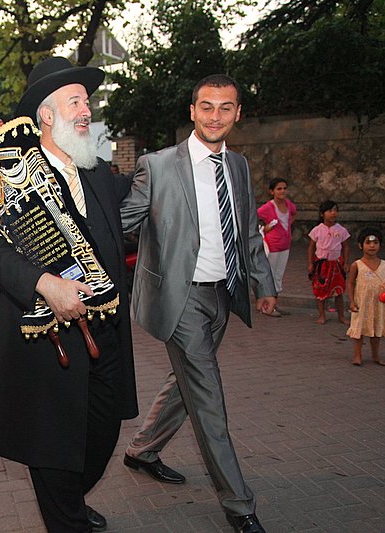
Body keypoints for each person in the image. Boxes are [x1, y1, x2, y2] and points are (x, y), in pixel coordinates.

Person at [0, 56, 138, 533]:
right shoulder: (9, 178)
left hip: (105, 335)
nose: (87, 111)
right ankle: (66, 516)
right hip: (47, 343)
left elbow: (142, 201)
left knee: (102, 434)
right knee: (52, 446)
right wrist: (43, 283)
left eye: (87, 102)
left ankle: (69, 503)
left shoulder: (97, 172)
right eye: (76, 102)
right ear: (46, 115)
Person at [120, 74, 276, 533]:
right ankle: (239, 505)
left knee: (185, 381)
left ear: (238, 113)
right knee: (208, 396)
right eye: (206, 106)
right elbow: (122, 223)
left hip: (223, 294)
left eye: (225, 107)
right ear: (192, 111)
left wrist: (263, 284)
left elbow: (247, 231)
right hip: (179, 296)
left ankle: (143, 449)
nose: (215, 116)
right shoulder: (157, 165)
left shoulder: (239, 166)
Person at [346, 226, 385, 366]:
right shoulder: (357, 265)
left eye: (375, 242)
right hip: (361, 303)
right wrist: (351, 301)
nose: (372, 246)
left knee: (376, 330)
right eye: (368, 242)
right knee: (359, 330)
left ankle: (375, 355)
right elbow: (351, 283)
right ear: (361, 245)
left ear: (380, 245)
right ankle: (357, 355)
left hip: (379, 303)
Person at [257, 177, 296, 316]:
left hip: (285, 244)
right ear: (272, 191)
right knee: (270, 275)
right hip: (272, 245)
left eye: (284, 188)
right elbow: (253, 217)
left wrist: (288, 226)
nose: (282, 191)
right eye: (279, 189)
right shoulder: (268, 207)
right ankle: (267, 306)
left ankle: (274, 304)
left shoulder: (289, 205)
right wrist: (264, 228)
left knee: (278, 276)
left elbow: (293, 214)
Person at [307, 200, 350, 325]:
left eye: (335, 210)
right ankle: (322, 315)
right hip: (321, 264)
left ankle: (341, 316)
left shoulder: (341, 230)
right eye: (330, 211)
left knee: (338, 291)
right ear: (322, 214)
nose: (333, 213)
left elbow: (346, 246)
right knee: (320, 290)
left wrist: (346, 262)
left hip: (336, 264)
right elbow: (311, 247)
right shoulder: (317, 230)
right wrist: (310, 263)